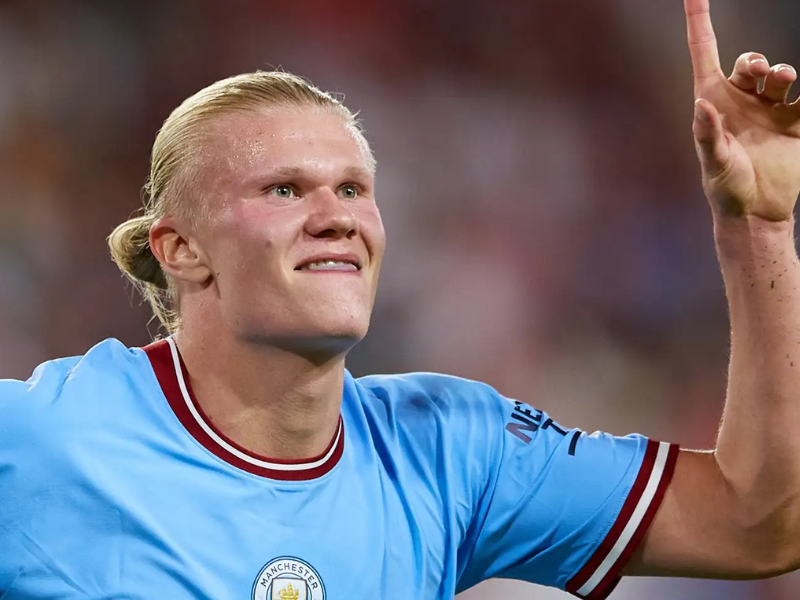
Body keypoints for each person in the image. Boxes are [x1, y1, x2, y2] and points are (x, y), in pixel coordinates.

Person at [2, 0, 800, 598]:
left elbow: (758, 522)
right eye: (285, 188)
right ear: (182, 250)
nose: (337, 217)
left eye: (354, 188)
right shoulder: (45, 438)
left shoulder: (454, 450)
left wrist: (758, 228)